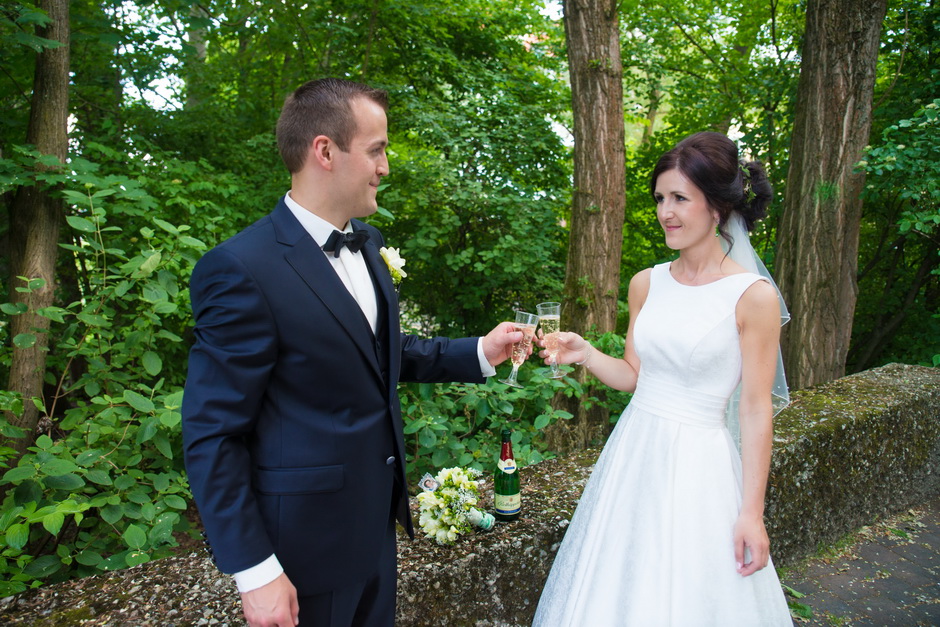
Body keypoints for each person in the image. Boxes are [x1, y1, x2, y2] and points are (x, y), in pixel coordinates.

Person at [181, 77, 521, 627]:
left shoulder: (369, 243)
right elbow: (212, 432)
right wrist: (254, 569)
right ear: (324, 151)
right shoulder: (241, 269)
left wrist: (480, 351)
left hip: (375, 536)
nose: (385, 166)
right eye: (377, 149)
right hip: (300, 558)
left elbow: (378, 353)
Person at [532, 131, 794, 626]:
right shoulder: (646, 282)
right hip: (633, 456)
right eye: (659, 198)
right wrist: (585, 353)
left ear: (716, 206)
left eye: (680, 198)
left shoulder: (752, 296)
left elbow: (756, 408)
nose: (666, 211)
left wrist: (751, 513)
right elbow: (634, 376)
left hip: (701, 468)